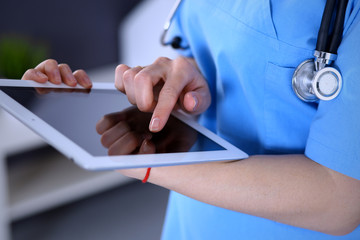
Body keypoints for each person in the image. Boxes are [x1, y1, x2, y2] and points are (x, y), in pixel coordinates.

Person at [22, 0, 360, 239]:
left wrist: (148, 162)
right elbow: (220, 51)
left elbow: (341, 199)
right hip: (191, 223)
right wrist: (179, 79)